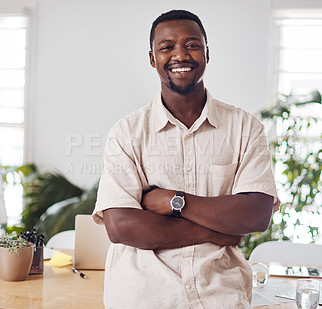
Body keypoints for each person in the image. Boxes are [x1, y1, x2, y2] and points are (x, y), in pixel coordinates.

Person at [93, 9, 280, 309]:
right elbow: (120, 226)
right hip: (143, 296)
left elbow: (256, 214)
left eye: (192, 44)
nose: (180, 55)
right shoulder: (127, 133)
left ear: (207, 53)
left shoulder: (245, 127)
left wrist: (174, 201)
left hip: (221, 295)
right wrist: (215, 229)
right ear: (153, 59)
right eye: (167, 47)